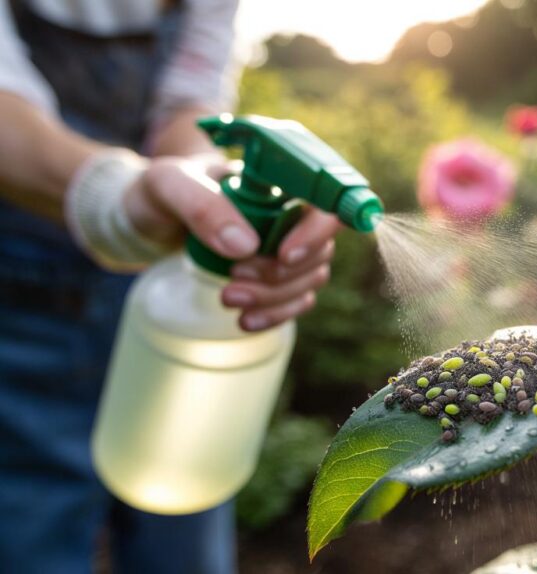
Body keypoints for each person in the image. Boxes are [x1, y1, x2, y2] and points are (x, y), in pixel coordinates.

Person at [0, 1, 339, 572]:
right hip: (21, 304)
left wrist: (207, 186)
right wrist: (122, 198)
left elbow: (188, 109)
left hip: (175, 286)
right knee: (31, 536)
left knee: (187, 540)